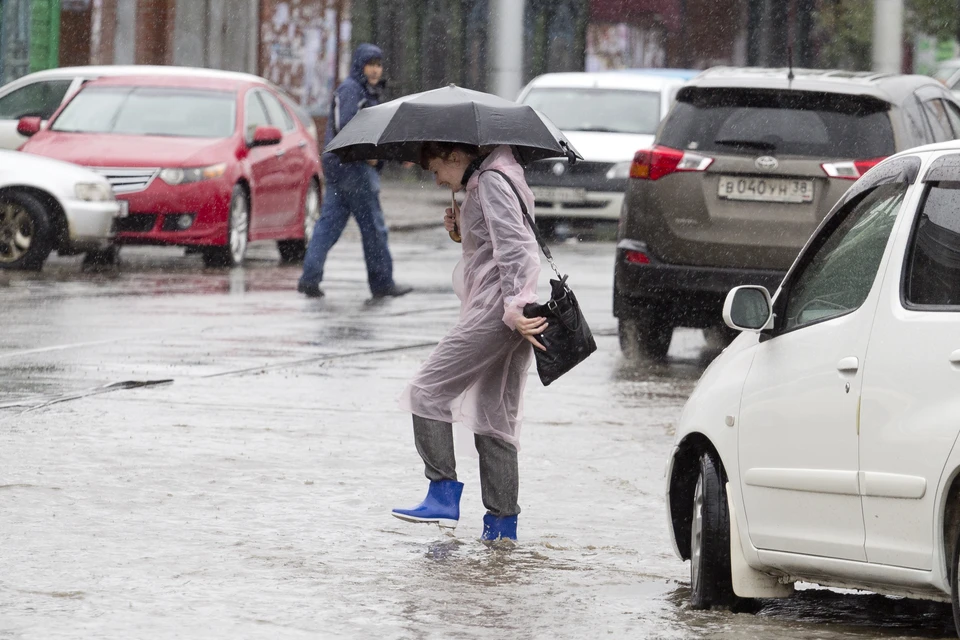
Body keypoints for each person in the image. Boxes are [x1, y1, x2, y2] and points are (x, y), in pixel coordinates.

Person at [391, 142, 547, 542]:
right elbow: (496, 244)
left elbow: (517, 249)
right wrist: (463, 230)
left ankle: (442, 494)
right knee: (493, 415)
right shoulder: (496, 177)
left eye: (436, 169)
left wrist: (514, 306)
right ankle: (501, 530)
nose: (438, 179)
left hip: (500, 310)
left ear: (455, 157)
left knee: (426, 391)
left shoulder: (491, 181)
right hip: (510, 310)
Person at [297, 43, 412, 299]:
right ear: (360, 66)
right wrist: (368, 155)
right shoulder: (352, 90)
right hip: (354, 170)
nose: (375, 70)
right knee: (373, 228)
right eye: (370, 64)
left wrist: (392, 156)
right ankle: (382, 283)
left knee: (329, 225)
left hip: (341, 169)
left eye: (379, 65)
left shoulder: (362, 91)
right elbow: (347, 127)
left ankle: (309, 278)